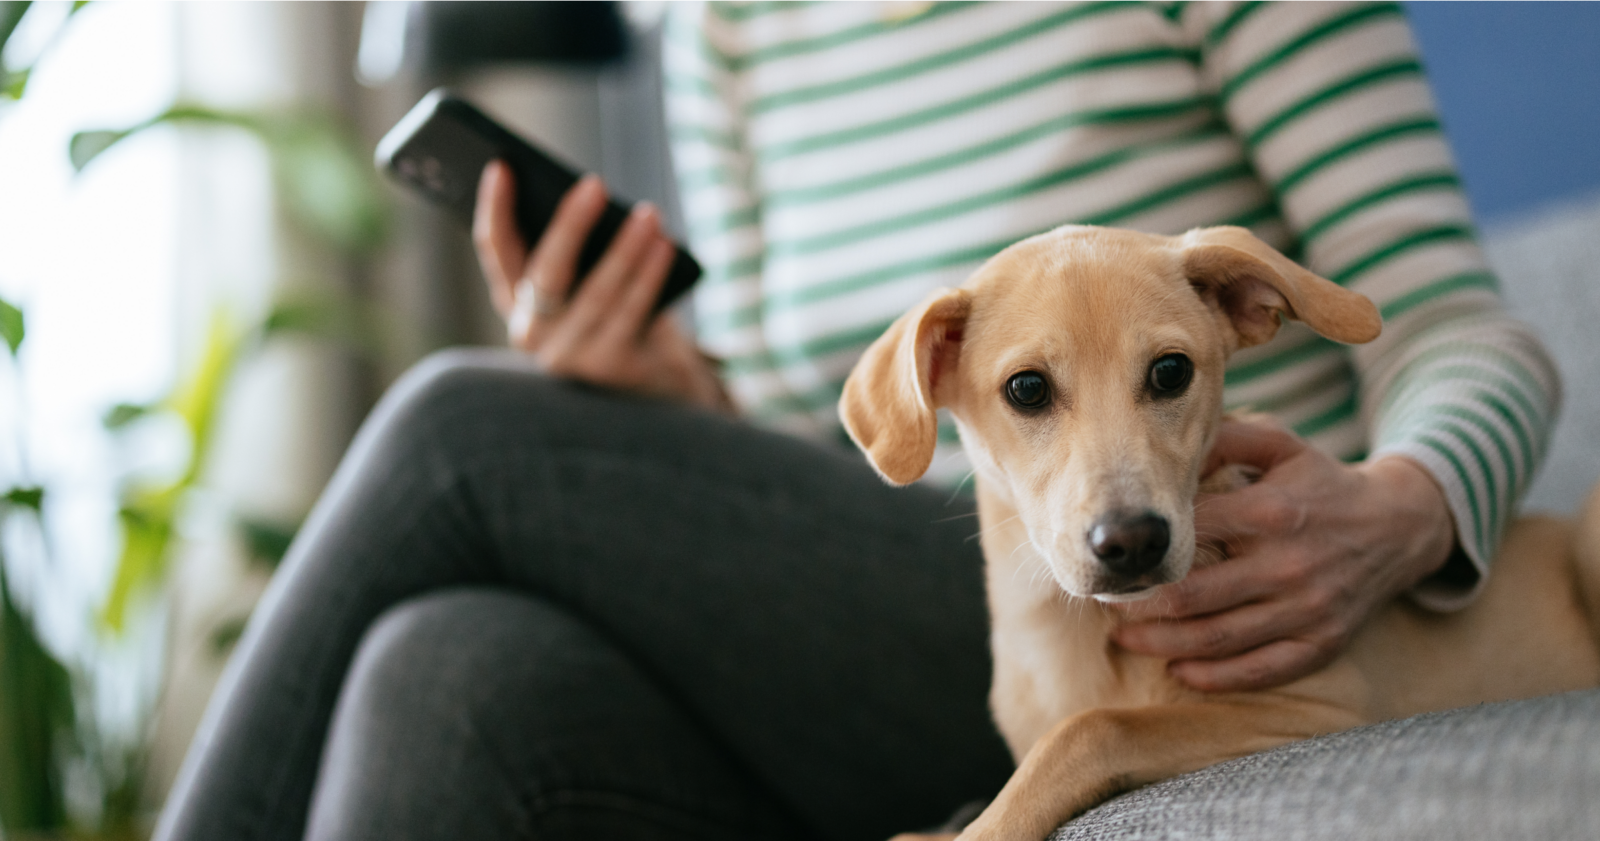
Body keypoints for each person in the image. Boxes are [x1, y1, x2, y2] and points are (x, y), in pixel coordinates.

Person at [153, 1, 1557, 839]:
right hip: (914, 595)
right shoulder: (730, 22)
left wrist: (1406, 505)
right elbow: (817, 441)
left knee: (462, 428)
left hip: (1200, 603)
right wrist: (669, 403)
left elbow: (1446, 321)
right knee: (448, 666)